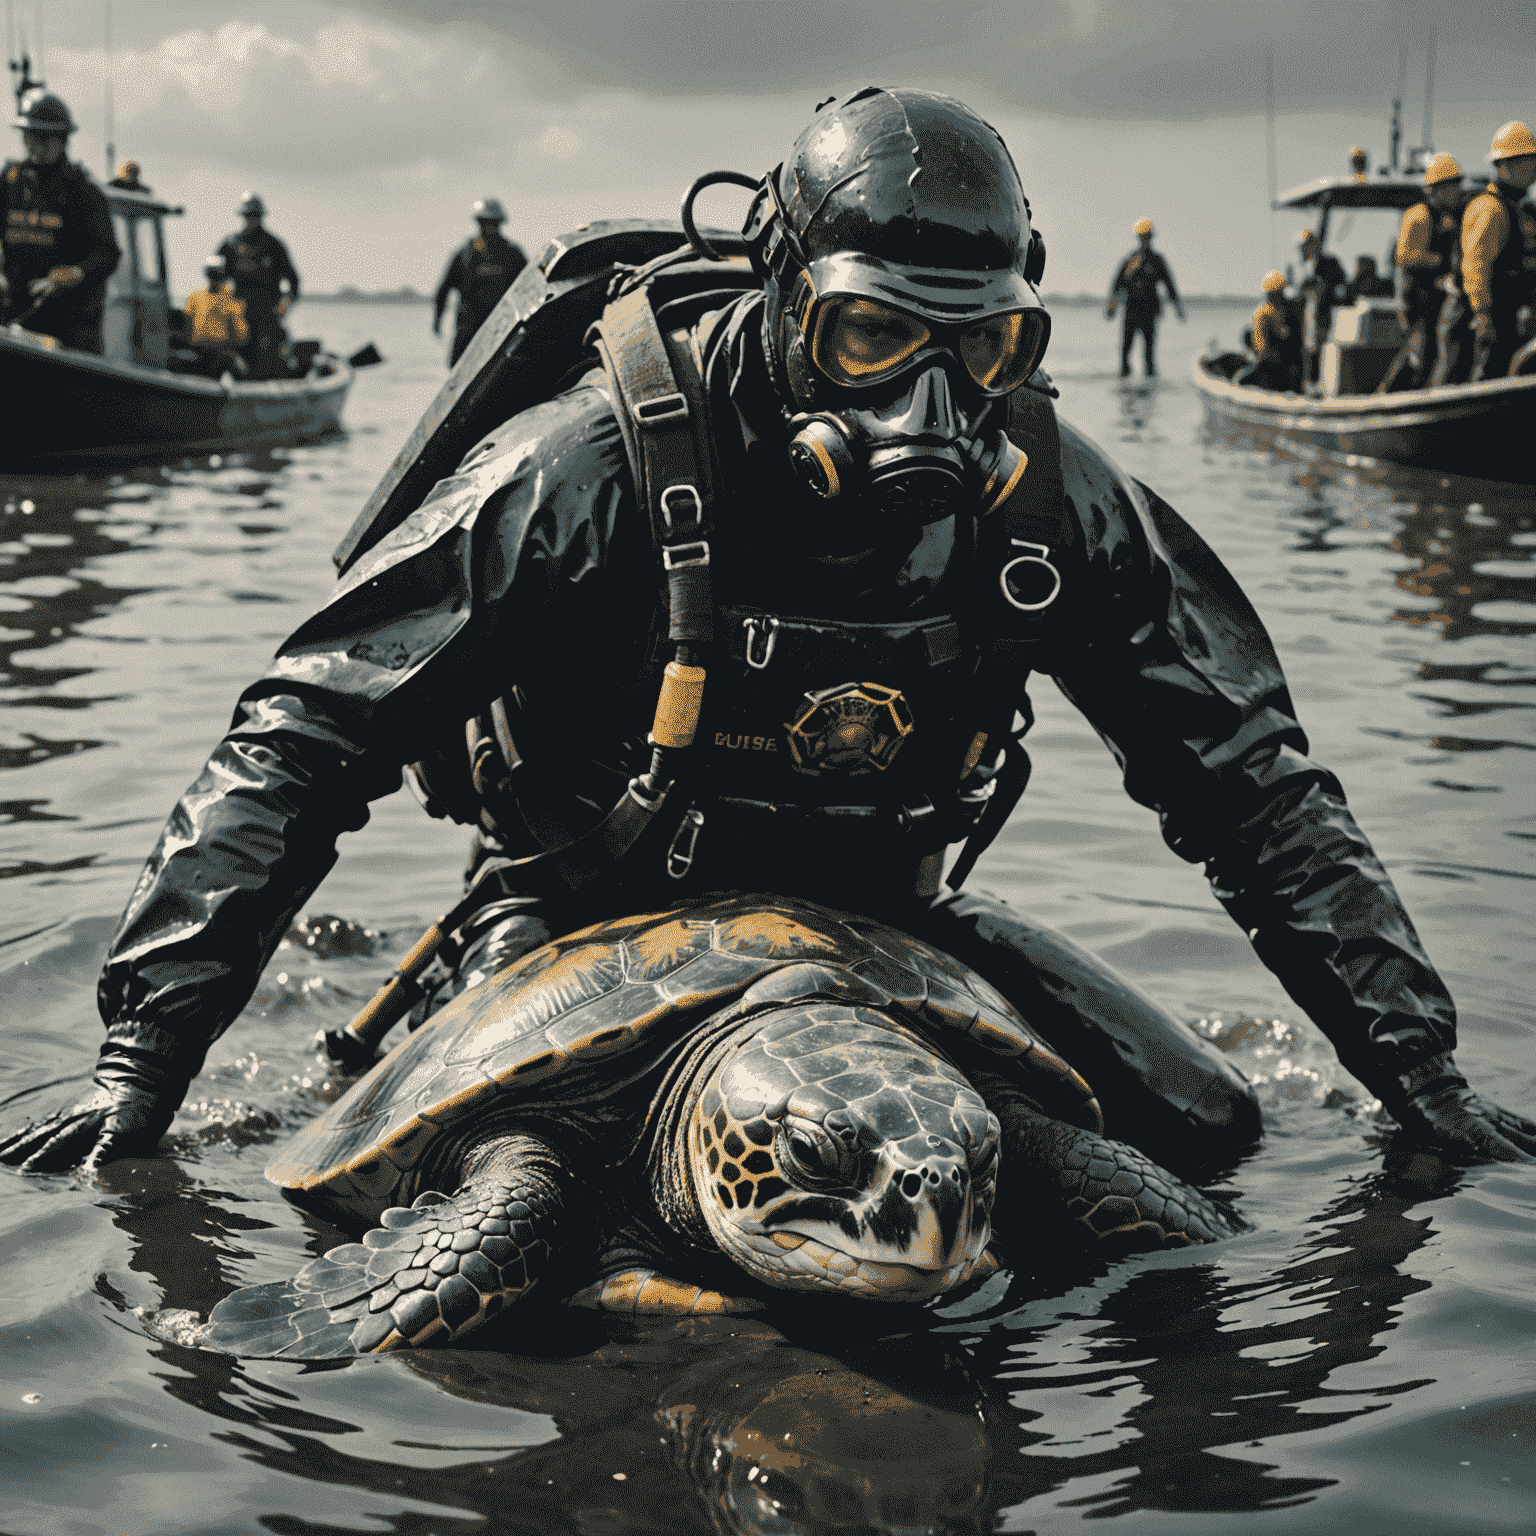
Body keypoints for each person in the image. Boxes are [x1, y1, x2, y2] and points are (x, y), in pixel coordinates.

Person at [3, 87, 1532, 1180]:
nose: (920, 404)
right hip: (579, 927)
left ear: (1022, 329)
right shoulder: (592, 464)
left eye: (978, 345)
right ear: (787, 291)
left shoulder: (1044, 505)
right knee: (405, 1190)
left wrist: (1420, 1077)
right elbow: (313, 721)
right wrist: (148, 1065)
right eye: (872, 335)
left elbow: (1251, 785)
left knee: (1211, 1144)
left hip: (892, 925)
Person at [0, 89, 120, 353]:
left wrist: (72, 274)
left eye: (45, 137)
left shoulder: (84, 193)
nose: (37, 145)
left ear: (62, 140)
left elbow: (107, 253)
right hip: (15, 312)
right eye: (31, 136)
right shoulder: (9, 183)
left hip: (67, 325)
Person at [1381, 152, 1466, 393]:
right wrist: (1441, 265)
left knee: (1433, 353)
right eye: (1451, 187)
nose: (1456, 192)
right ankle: (1386, 396)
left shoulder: (1448, 218)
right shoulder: (1418, 216)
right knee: (1418, 354)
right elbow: (1406, 257)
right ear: (1435, 189)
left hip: (1435, 296)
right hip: (1416, 301)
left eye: (1457, 186)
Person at [1458, 121, 1536, 383]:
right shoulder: (1490, 209)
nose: (1534, 170)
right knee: (1487, 376)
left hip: (1513, 317)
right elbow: (1476, 264)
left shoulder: (1520, 210)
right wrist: (1482, 313)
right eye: (1528, 162)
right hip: (1491, 318)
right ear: (1505, 165)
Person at [433, 197, 528, 366]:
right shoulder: (464, 254)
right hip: (468, 330)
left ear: (500, 223)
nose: (490, 228)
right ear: (479, 223)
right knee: (459, 372)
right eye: (486, 223)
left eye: (493, 223)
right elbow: (443, 290)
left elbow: (530, 287)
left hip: (503, 328)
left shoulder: (513, 254)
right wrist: (437, 321)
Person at [216, 192, 299, 380]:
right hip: (239, 314)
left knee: (270, 359)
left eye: (255, 216)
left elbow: (294, 282)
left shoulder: (273, 245)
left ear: (261, 217)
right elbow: (216, 278)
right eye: (248, 216)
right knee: (234, 358)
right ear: (242, 217)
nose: (251, 220)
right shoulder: (230, 245)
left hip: (268, 313)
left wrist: (284, 305)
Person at [1105, 217, 1184, 377]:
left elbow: (1170, 286)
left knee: (1149, 354)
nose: (1145, 240)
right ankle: (1124, 383)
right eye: (1143, 237)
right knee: (1125, 350)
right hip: (1131, 311)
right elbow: (1117, 286)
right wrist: (1111, 307)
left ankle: (1150, 388)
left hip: (1149, 312)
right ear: (1138, 238)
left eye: (1147, 236)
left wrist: (1178, 308)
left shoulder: (1157, 261)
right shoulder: (1130, 260)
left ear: (1151, 237)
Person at [181, 254, 248, 377]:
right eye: (212, 273)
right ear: (207, 274)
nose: (214, 277)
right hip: (197, 352)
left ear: (224, 275)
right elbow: (186, 328)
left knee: (238, 368)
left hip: (221, 354)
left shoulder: (233, 302)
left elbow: (241, 338)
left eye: (218, 274)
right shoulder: (195, 297)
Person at [1296, 229, 1349, 387]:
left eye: (1306, 246)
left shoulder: (1329, 263)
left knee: (1324, 348)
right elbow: (1301, 290)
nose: (1304, 250)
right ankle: (1309, 384)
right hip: (1311, 313)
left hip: (1326, 314)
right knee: (1309, 348)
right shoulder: (1304, 266)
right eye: (1302, 246)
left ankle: (1322, 384)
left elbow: (1341, 285)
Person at [1237, 270, 1298, 390]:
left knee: (1240, 379)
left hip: (1269, 363)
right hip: (1270, 364)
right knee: (1242, 379)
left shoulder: (1263, 312)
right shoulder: (1268, 314)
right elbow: (1268, 347)